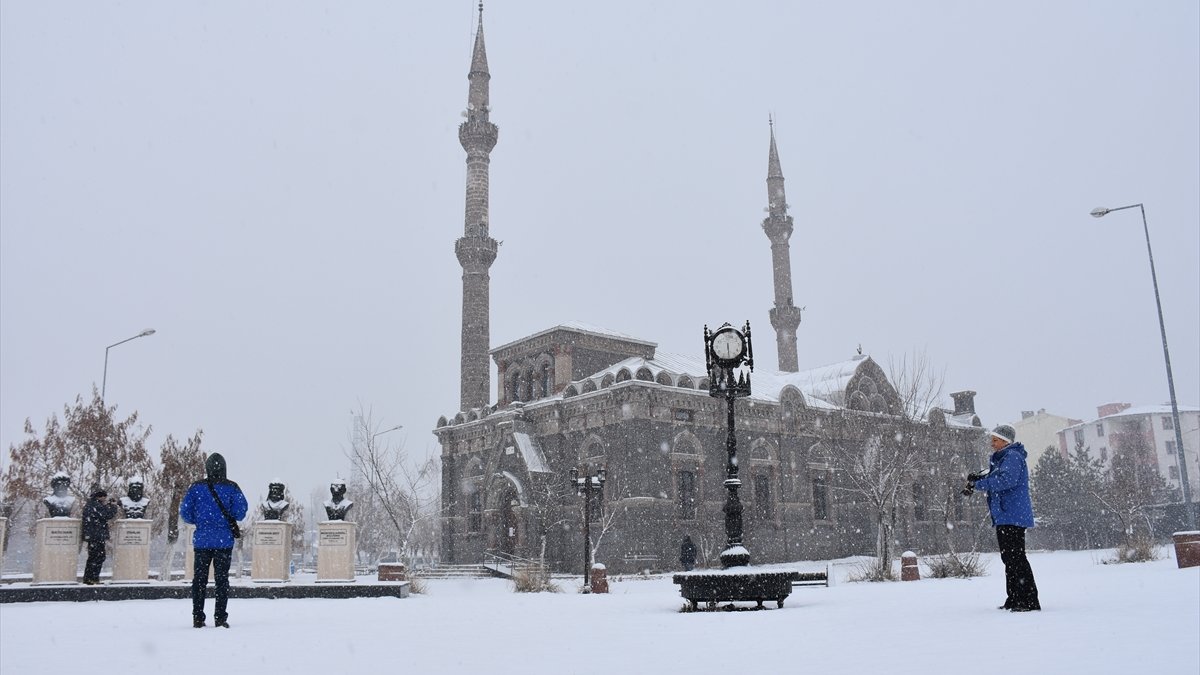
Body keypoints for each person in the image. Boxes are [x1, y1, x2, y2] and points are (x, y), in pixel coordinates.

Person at [963, 424, 1041, 612]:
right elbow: (997, 476)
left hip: (1012, 514)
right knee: (1009, 558)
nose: (992, 443)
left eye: (995, 440)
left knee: (1016, 558)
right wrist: (978, 479)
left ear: (1006, 441)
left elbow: (1006, 480)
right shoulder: (1004, 458)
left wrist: (980, 485)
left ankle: (1028, 601)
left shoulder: (1012, 457)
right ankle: (1014, 598)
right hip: (1005, 515)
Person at [180, 452, 248, 628]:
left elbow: (185, 513)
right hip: (223, 541)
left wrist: (202, 520)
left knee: (199, 580)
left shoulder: (196, 487)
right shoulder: (232, 487)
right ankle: (220, 617)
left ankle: (198, 617)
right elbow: (240, 512)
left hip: (202, 541)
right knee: (222, 580)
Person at [81, 486, 118, 585]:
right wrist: (113, 506)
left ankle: (90, 578)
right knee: (98, 557)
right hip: (96, 536)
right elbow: (107, 515)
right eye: (104, 497)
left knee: (94, 557)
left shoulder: (92, 505)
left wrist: (108, 506)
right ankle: (92, 578)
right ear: (99, 497)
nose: (105, 499)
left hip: (94, 536)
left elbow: (102, 514)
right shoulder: (95, 505)